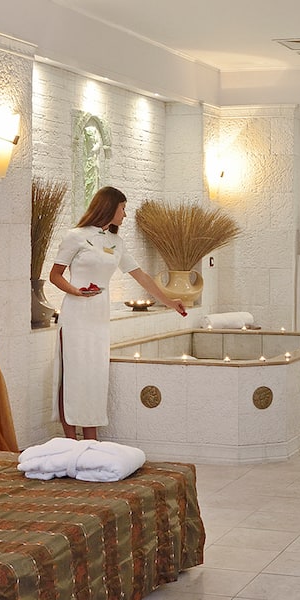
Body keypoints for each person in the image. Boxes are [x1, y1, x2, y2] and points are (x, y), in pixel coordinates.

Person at [48, 186, 188, 439]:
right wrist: (76, 291)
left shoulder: (116, 242)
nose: (125, 214)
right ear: (109, 207)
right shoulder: (76, 236)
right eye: (122, 208)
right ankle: (70, 438)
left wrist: (169, 301)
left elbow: (141, 276)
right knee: (72, 374)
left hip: (99, 317)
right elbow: (55, 275)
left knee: (94, 375)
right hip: (76, 315)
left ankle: (90, 436)